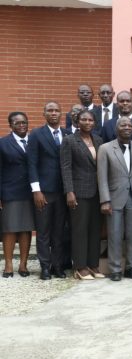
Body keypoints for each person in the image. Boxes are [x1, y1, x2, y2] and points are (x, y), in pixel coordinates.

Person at [28, 101, 71, 280]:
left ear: (61, 114)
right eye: (50, 110)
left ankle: (57, 266)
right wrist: (36, 190)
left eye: (56, 110)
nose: (53, 113)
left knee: (59, 231)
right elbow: (31, 163)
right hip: (44, 192)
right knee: (43, 231)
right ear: (44, 114)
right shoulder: (37, 134)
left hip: (63, 192)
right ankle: (45, 267)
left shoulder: (67, 134)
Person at [60, 109, 104, 280]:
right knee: (80, 229)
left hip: (97, 192)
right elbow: (65, 168)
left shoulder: (98, 140)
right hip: (78, 192)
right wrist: (69, 191)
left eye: (90, 120)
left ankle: (93, 265)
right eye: (83, 120)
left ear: (94, 122)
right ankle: (80, 267)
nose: (87, 122)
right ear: (77, 122)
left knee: (95, 230)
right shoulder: (69, 141)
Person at [97, 117, 132, 281]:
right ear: (117, 129)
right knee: (115, 234)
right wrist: (105, 200)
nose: (127, 128)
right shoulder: (105, 148)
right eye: (123, 125)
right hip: (113, 197)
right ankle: (115, 269)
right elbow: (101, 177)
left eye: (130, 125)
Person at [0, 112, 35, 278]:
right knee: (9, 228)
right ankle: (8, 265)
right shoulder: (3, 143)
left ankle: (23, 265)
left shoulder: (34, 141)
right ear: (10, 125)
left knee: (26, 228)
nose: (22, 125)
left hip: (31, 192)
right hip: (10, 191)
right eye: (17, 123)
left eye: (24, 122)